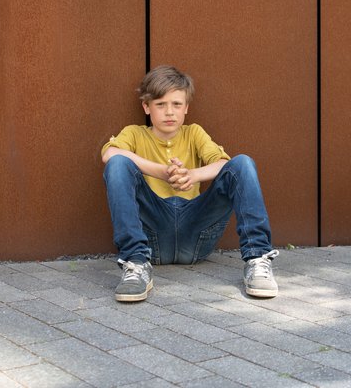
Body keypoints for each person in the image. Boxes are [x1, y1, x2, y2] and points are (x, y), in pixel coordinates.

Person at [101, 65, 279, 302]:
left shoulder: (194, 133)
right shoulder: (134, 133)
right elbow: (109, 154)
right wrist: (161, 172)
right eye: (160, 104)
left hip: (196, 232)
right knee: (118, 164)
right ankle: (135, 264)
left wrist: (193, 175)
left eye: (176, 104)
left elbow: (223, 164)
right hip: (152, 233)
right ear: (146, 107)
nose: (169, 112)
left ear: (186, 108)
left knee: (242, 163)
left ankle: (258, 259)